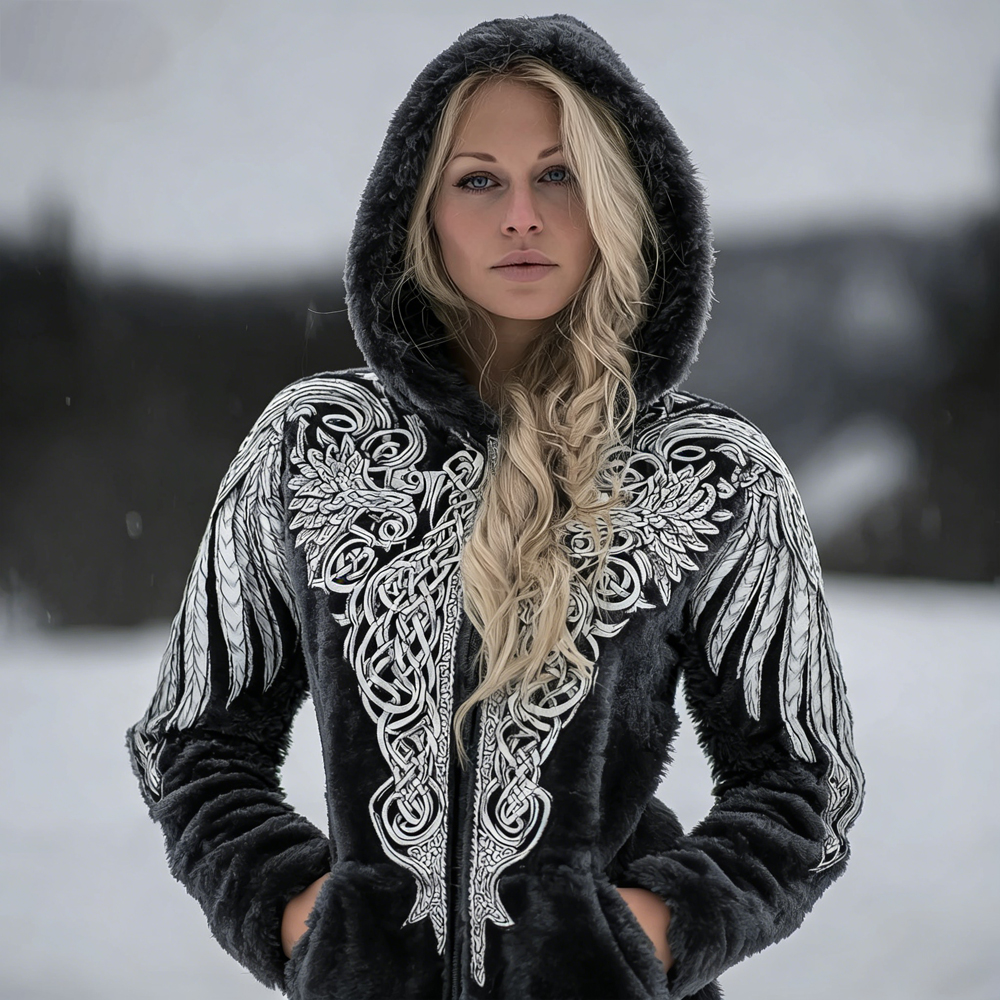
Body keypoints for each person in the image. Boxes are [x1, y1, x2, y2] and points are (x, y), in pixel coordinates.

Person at [125, 14, 864, 1000]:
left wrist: (643, 935)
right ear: (417, 211)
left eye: (560, 175)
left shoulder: (713, 470)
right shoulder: (312, 443)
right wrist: (299, 915)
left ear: (621, 201)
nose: (521, 215)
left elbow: (804, 782)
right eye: (478, 180)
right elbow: (194, 736)